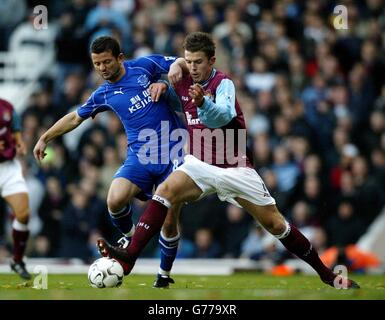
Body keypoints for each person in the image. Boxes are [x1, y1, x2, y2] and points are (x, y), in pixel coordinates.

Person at [97, 32, 360, 289]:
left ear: (211, 61)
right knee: (164, 191)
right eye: (188, 61)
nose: (193, 67)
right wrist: (163, 85)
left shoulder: (224, 84)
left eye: (198, 61)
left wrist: (203, 103)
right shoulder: (181, 81)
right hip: (198, 164)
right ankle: (130, 255)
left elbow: (220, 117)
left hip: (234, 167)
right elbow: (169, 94)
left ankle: (326, 275)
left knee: (276, 225)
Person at [33, 36, 188, 287]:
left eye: (107, 61)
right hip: (140, 156)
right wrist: (45, 137)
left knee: (170, 218)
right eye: (97, 64)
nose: (102, 68)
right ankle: (128, 238)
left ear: (120, 58)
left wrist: (170, 74)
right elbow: (75, 118)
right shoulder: (103, 93)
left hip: (173, 152)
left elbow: (181, 61)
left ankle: (163, 275)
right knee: (114, 199)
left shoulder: (144, 66)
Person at [0, 98, 31, 279]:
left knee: (23, 214)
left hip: (8, 167)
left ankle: (17, 260)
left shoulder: (6, 107)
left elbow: (15, 125)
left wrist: (19, 141)